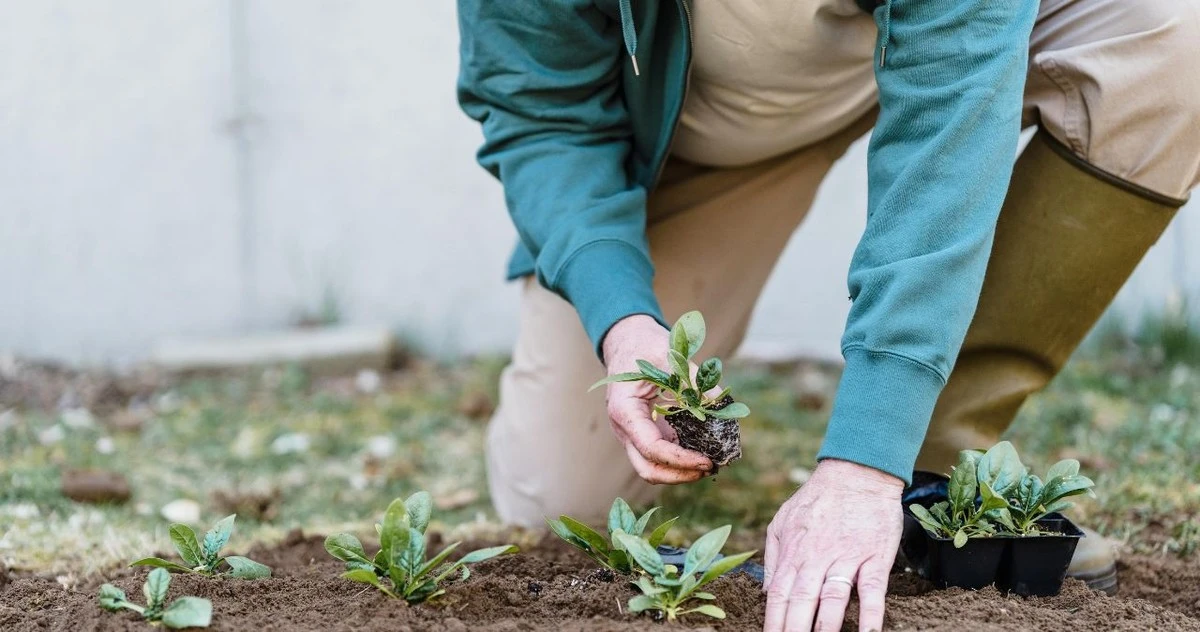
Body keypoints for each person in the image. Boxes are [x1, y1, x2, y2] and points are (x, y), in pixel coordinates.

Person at [456, 0, 1199, 629]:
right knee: (560, 496)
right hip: (705, 130)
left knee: (1168, 53)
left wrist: (866, 458)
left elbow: (948, 116)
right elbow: (542, 112)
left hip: (951, 52)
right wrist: (623, 324)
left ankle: (924, 468)